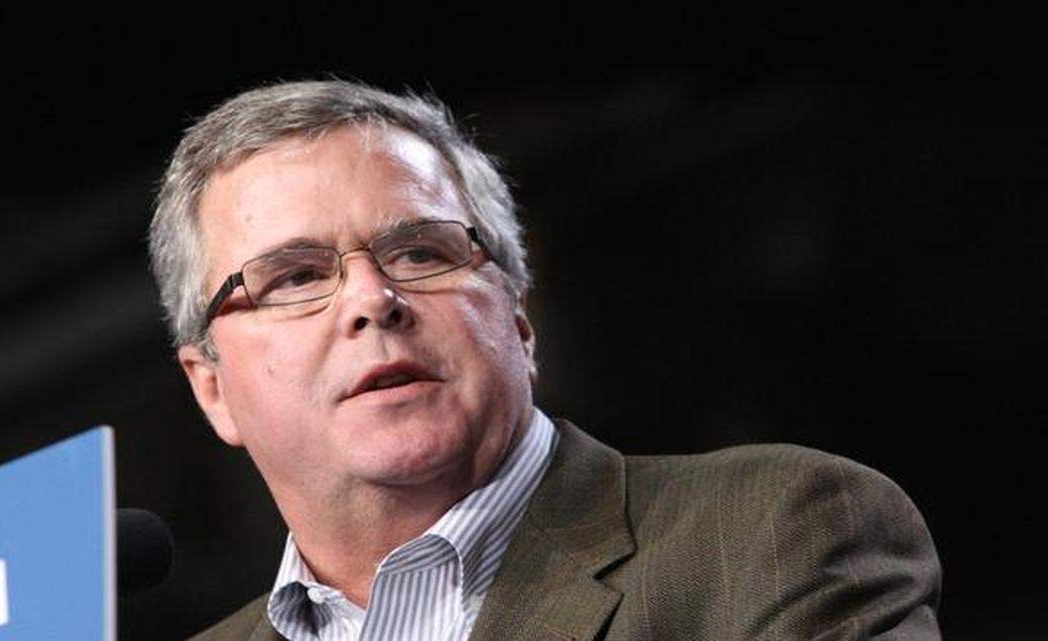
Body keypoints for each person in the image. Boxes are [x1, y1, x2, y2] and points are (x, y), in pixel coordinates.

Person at [149, 80, 942, 640]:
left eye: (421, 250)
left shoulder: (772, 530)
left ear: (519, 320)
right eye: (294, 277)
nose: (370, 298)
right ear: (211, 387)